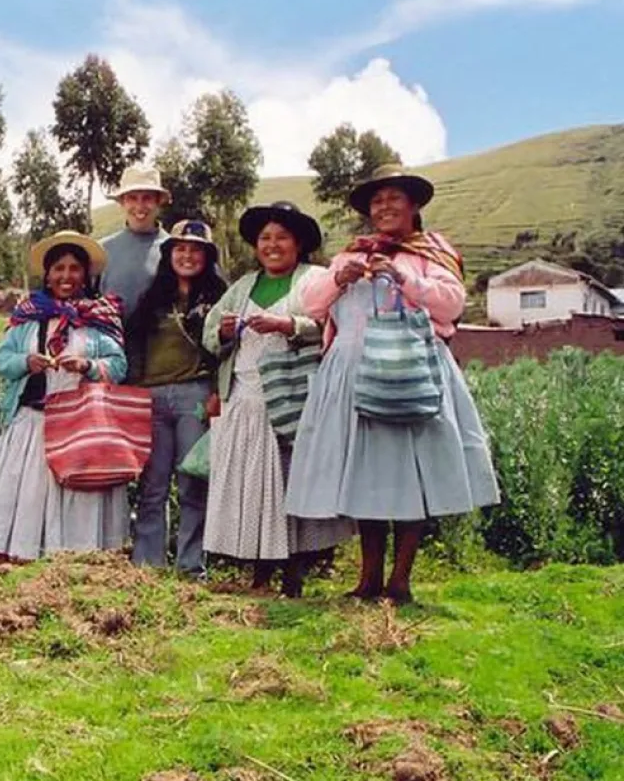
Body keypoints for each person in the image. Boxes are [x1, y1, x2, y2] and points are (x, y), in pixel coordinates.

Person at [284, 166, 499, 604]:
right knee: (367, 475)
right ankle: (368, 580)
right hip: (352, 372)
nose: (383, 207)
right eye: (376, 201)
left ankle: (400, 581)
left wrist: (403, 278)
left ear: (414, 205)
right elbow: (311, 304)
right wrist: (339, 279)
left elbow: (453, 303)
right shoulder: (351, 256)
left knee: (412, 473)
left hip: (411, 368)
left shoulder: (430, 253)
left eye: (393, 198)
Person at [202, 203, 353, 596]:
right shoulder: (243, 286)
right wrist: (226, 329)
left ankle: (294, 574)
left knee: (290, 481)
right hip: (245, 395)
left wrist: (289, 325)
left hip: (293, 396)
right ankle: (260, 574)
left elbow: (331, 322)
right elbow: (209, 331)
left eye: (281, 237)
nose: (272, 245)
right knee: (253, 485)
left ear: (298, 243)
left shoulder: (314, 279)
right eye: (265, 238)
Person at [0, 231, 130, 562]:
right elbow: (1, 361)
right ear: (47, 274)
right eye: (58, 268)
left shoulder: (96, 319)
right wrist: (25, 362)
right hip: (32, 425)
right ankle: (21, 557)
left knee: (77, 495)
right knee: (29, 495)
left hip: (79, 428)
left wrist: (88, 365)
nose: (66, 276)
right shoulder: (28, 318)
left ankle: (74, 560)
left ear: (85, 275)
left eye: (74, 268)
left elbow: (119, 365)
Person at [125, 220, 226, 575]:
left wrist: (217, 393)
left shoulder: (218, 300)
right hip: (151, 399)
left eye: (196, 249)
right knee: (152, 485)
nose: (187, 255)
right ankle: (147, 566)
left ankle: (190, 565)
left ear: (207, 256)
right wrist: (135, 389)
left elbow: (224, 354)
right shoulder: (151, 298)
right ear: (169, 254)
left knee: (192, 483)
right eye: (180, 248)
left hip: (194, 397)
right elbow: (135, 348)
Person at [97, 166, 170, 322]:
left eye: (147, 198)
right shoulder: (102, 250)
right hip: (111, 342)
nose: (139, 206)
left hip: (159, 344)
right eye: (132, 198)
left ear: (158, 202)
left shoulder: (175, 251)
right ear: (123, 202)